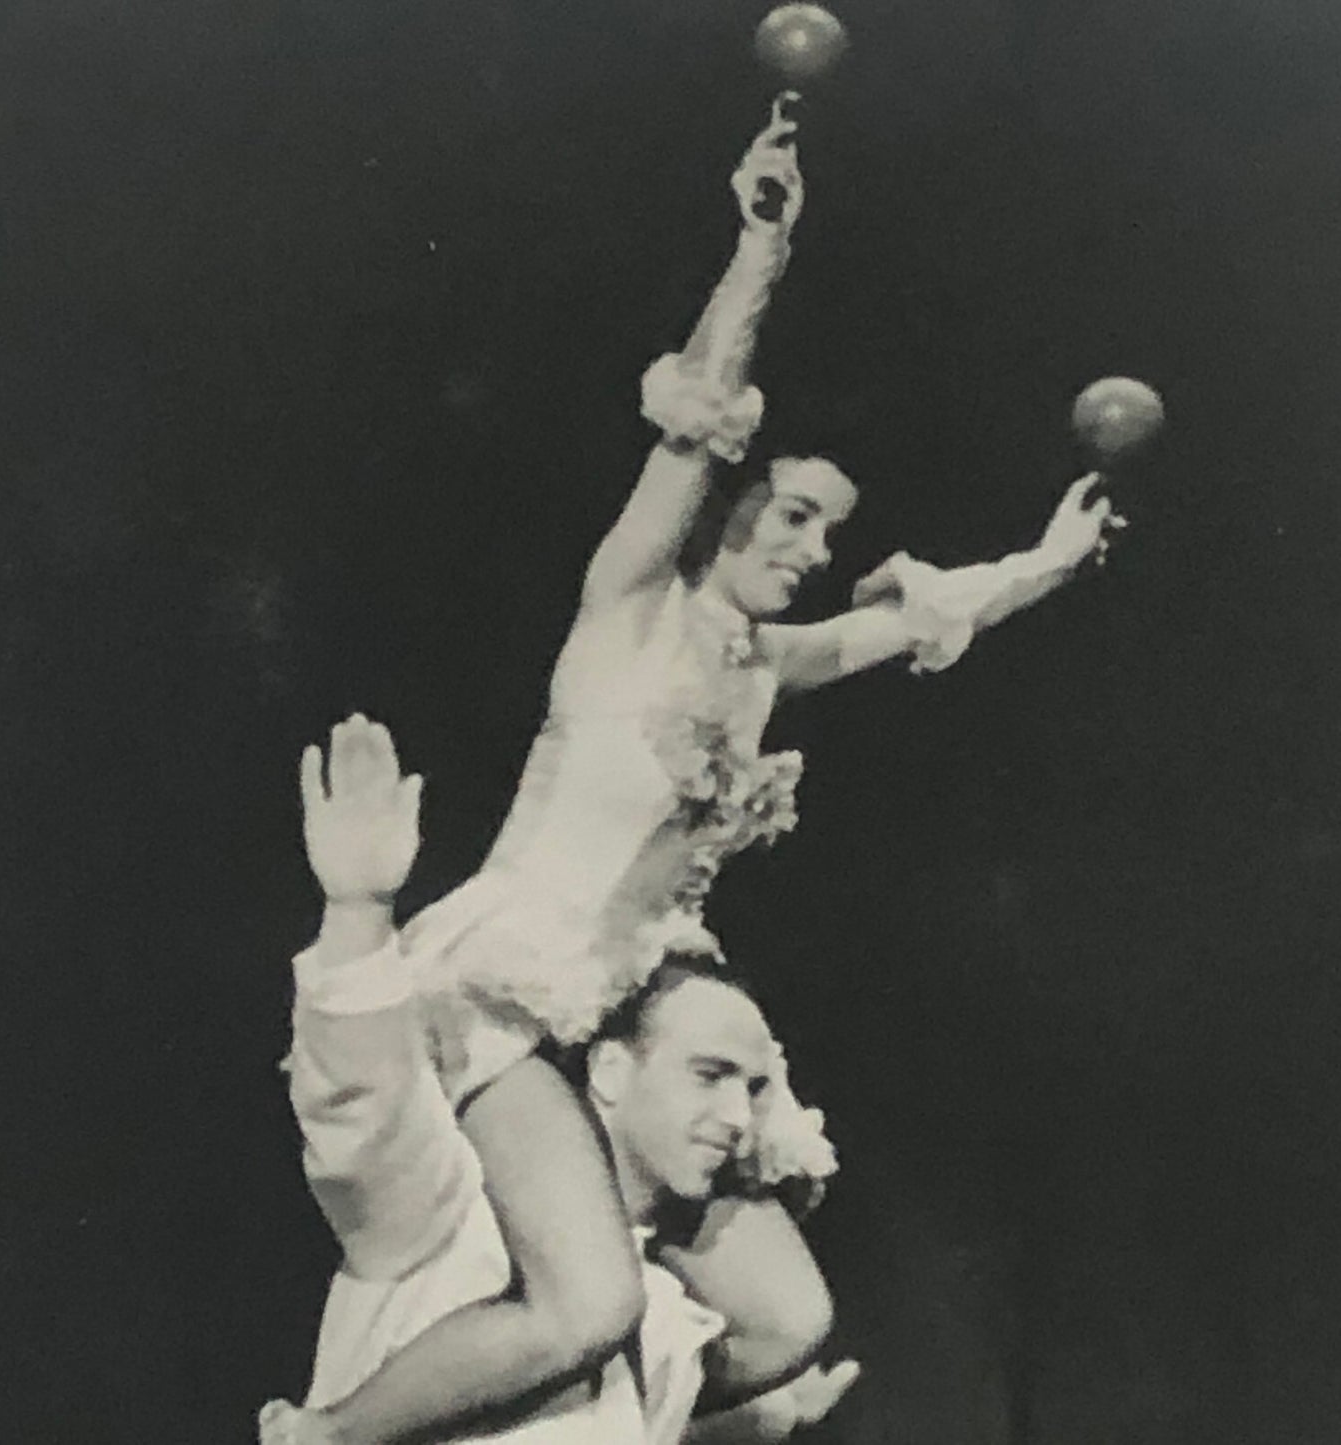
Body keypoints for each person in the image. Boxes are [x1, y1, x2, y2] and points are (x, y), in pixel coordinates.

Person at [264, 88, 1126, 1441]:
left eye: (825, 531)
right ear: (727, 510)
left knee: (785, 1322)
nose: (809, 548)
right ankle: (331, 1437)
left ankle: (617, 1417)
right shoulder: (630, 600)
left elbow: (909, 627)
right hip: (503, 997)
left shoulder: (764, 667)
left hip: (628, 1017)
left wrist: (1048, 560)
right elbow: (697, 414)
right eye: (789, 515)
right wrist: (759, 255)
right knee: (585, 1303)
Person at [261, 722, 852, 1445]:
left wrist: (767, 1417)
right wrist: (356, 918)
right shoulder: (448, 1216)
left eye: (754, 1087)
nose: (737, 1112)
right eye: (709, 1074)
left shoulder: (664, 1320)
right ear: (607, 1067)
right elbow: (361, 1106)